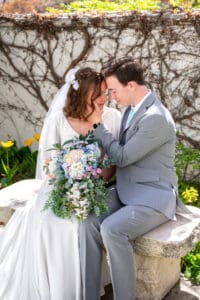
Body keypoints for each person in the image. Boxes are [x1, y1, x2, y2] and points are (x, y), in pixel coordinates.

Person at [0, 67, 121, 299]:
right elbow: (48, 163)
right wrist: (68, 184)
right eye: (97, 95)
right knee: (48, 222)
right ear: (81, 95)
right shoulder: (58, 120)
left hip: (92, 192)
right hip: (59, 189)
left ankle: (79, 289)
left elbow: (112, 163)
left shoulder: (112, 118)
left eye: (105, 93)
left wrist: (90, 184)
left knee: (78, 226)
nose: (103, 99)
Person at [79, 57, 188, 300]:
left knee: (112, 229)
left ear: (131, 86)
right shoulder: (130, 110)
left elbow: (124, 157)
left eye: (114, 90)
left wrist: (98, 127)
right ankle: (88, 296)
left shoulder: (155, 118)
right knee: (88, 220)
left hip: (154, 197)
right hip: (127, 190)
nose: (112, 97)